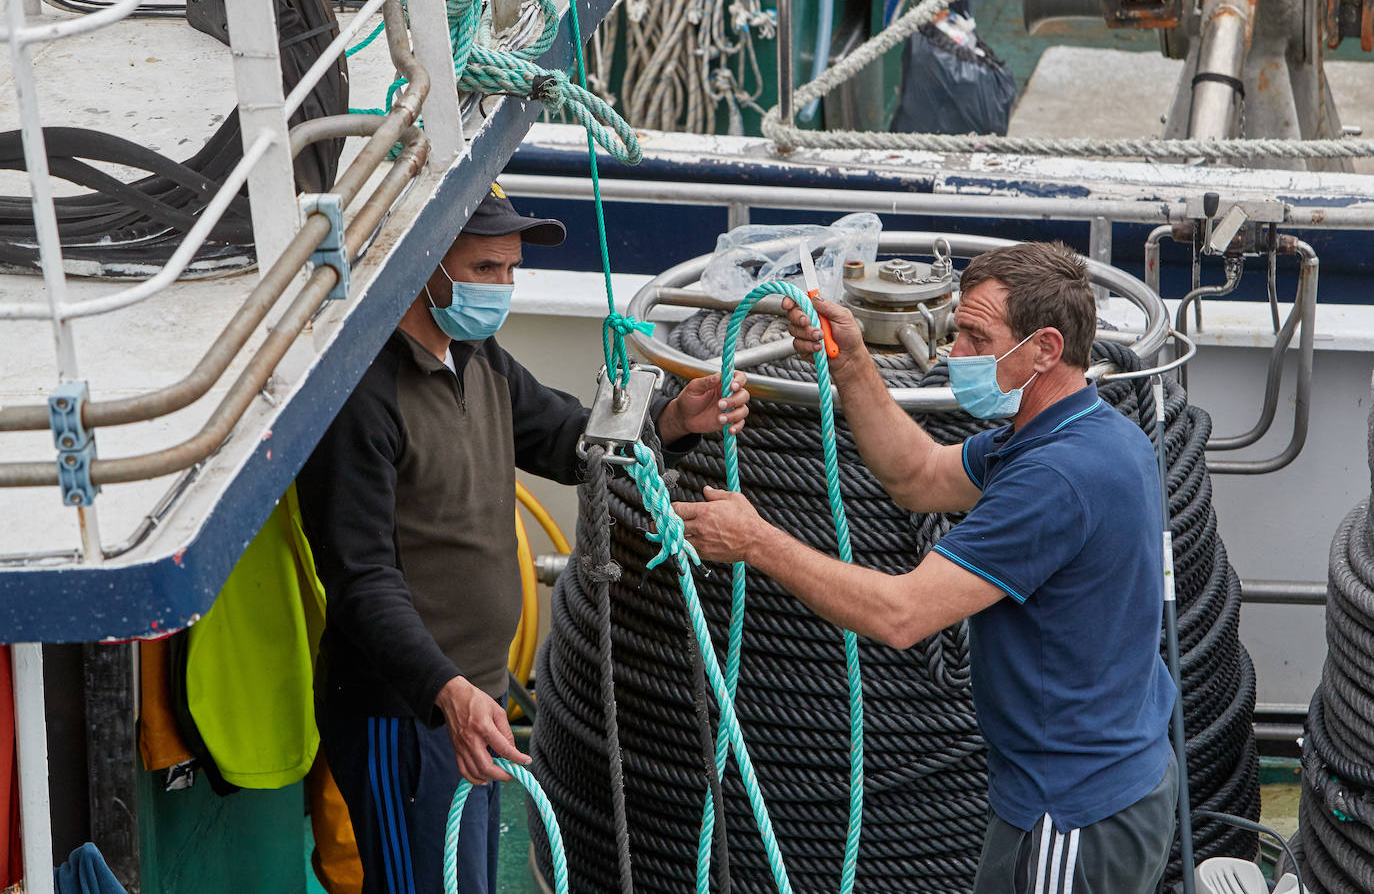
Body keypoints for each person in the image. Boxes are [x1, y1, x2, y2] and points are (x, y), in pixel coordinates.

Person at [675, 242, 1178, 894]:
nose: (952, 354)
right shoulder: (1078, 432)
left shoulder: (1056, 477)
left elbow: (902, 615)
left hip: (1073, 810)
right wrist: (852, 361)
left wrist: (757, 542)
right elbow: (916, 476)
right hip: (1094, 786)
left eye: (975, 336)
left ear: (1046, 348)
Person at [297, 184, 751, 894]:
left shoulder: (478, 356)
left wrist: (670, 420)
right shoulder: (359, 396)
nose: (503, 288)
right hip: (404, 716)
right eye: (485, 270)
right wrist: (446, 692)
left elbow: (567, 439)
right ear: (424, 266)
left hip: (470, 705)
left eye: (510, 271)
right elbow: (361, 583)